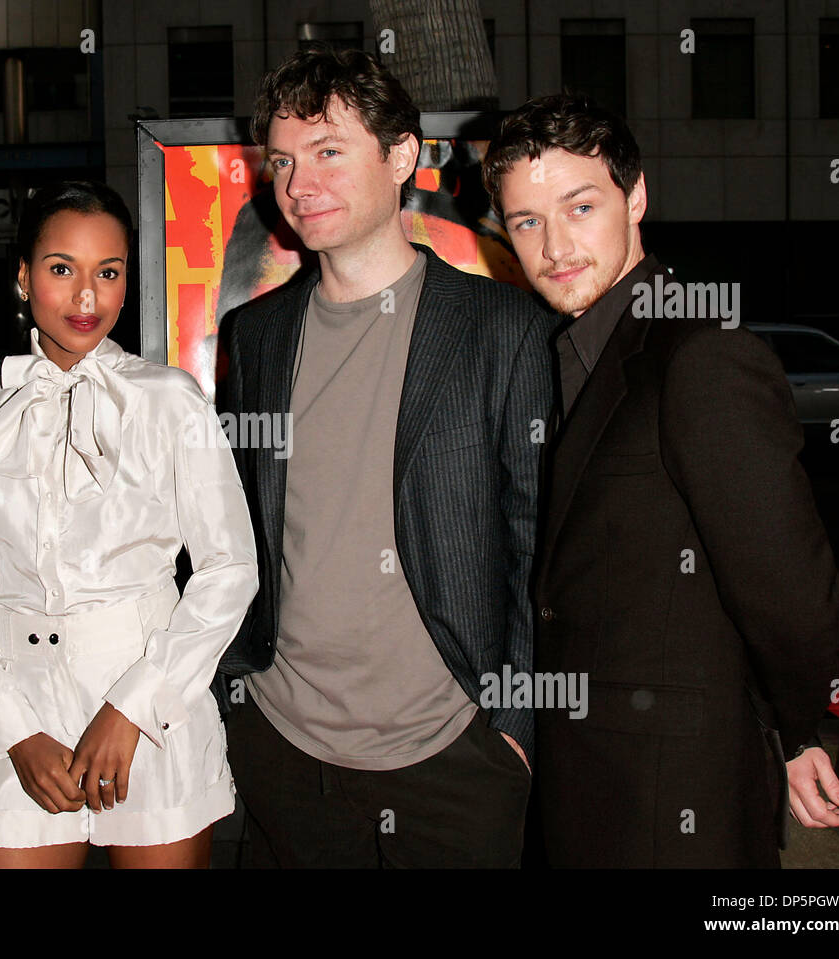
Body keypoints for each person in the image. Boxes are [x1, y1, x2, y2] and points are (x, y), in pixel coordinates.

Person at [483, 93, 839, 867]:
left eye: (580, 207)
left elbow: (790, 588)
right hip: (598, 783)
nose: (555, 245)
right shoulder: (578, 349)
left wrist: (798, 729)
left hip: (677, 797)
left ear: (636, 195)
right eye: (526, 221)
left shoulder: (698, 352)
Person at [214, 47, 556, 868]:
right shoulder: (255, 337)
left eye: (330, 151)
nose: (299, 185)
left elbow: (539, 543)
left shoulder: (503, 328)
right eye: (285, 162)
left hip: (455, 760)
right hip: (283, 748)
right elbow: (232, 529)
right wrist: (237, 699)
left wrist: (513, 729)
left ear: (402, 156)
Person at [0, 180, 258, 869]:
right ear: (22, 276)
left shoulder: (171, 402)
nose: (86, 297)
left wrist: (135, 706)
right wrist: (11, 728)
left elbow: (230, 569)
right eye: (61, 269)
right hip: (18, 704)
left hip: (152, 703)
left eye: (108, 273)